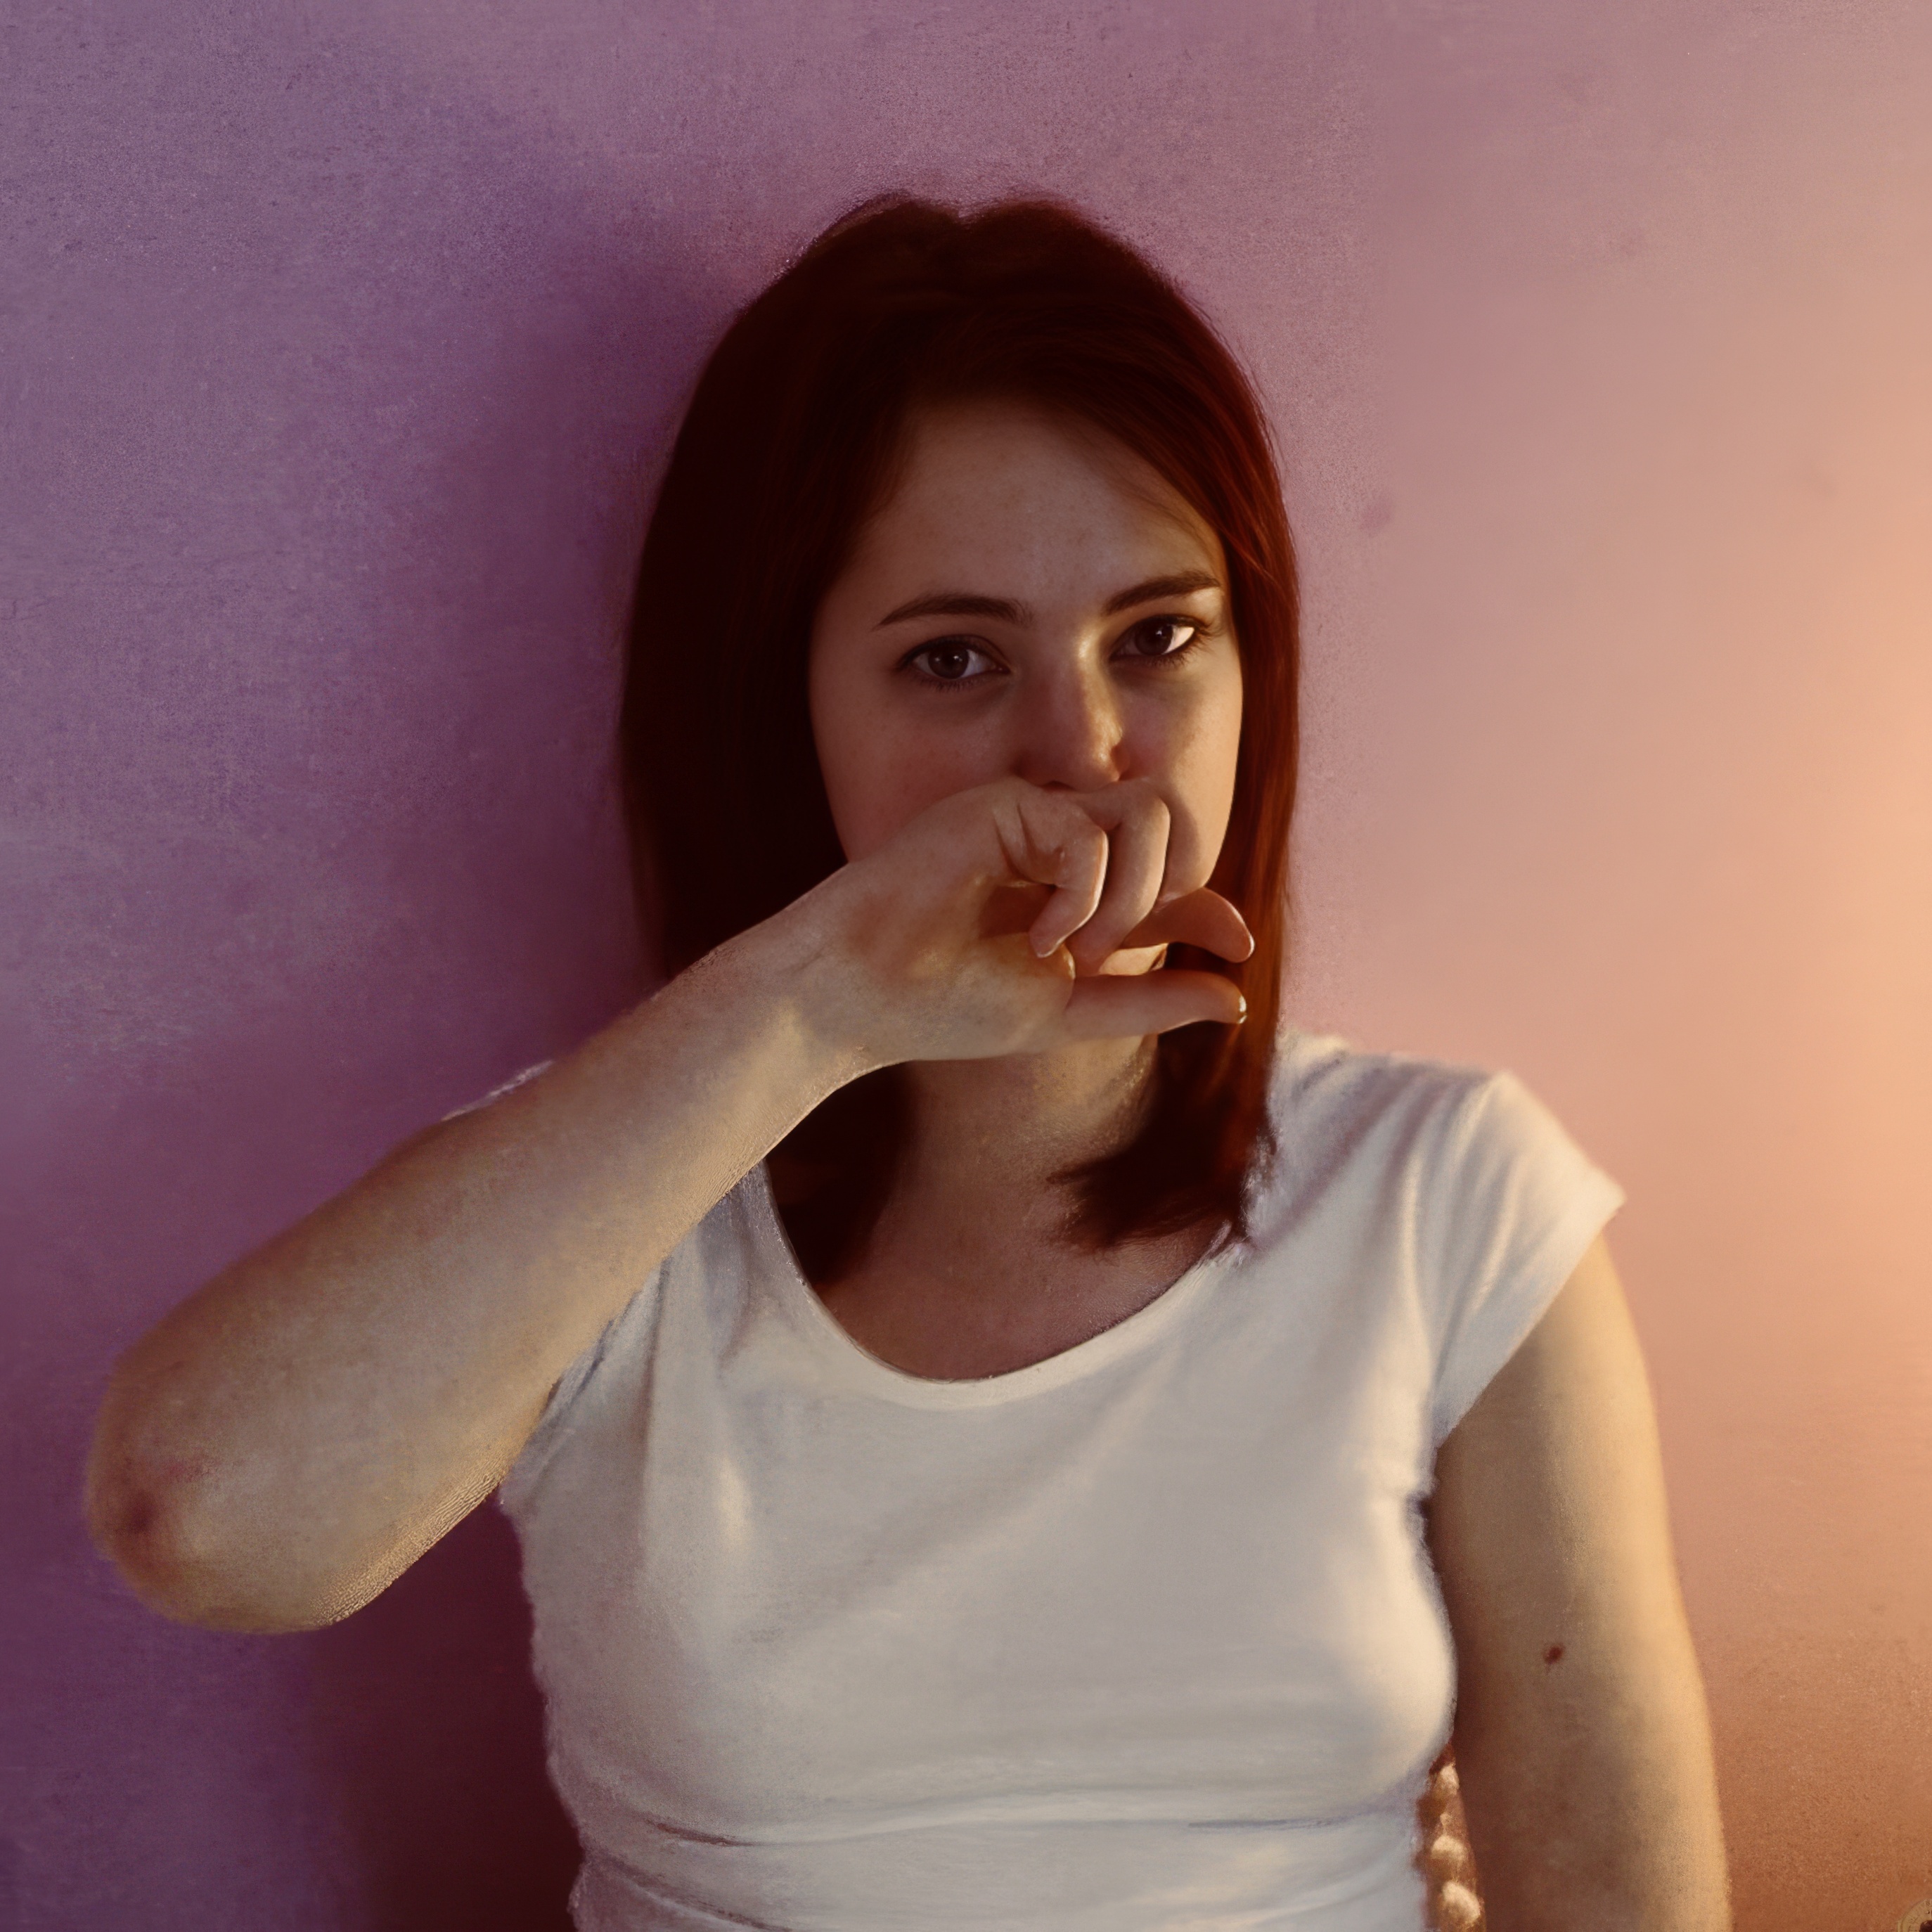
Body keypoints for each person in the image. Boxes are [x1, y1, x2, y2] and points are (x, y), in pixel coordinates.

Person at [85, 195, 1731, 1930]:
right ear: (780, 708)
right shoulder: (613, 1192)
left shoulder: (1442, 1194)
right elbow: (200, 1515)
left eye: (1161, 636)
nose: (1083, 749)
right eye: (954, 659)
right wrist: (809, 1004)